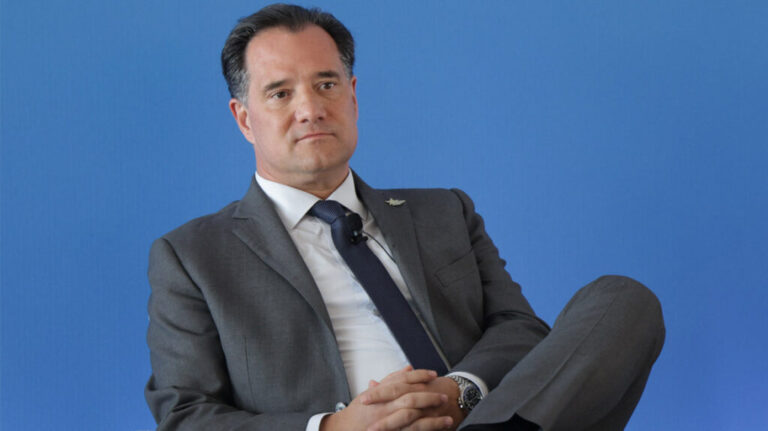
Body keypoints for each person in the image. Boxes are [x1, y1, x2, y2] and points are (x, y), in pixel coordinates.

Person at [145, 4, 665, 431]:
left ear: (352, 96)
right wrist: (334, 427)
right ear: (244, 119)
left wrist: (459, 393)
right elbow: (184, 415)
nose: (310, 109)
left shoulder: (445, 211)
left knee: (622, 300)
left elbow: (521, 329)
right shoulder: (193, 257)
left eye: (326, 85)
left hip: (479, 417)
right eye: (281, 93)